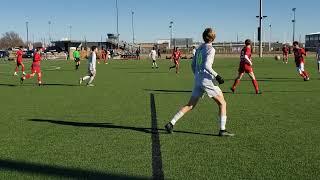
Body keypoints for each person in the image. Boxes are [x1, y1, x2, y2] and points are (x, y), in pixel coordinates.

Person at [164, 28, 234, 137]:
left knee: (190, 105)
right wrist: (217, 76)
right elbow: (207, 66)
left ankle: (171, 123)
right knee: (222, 103)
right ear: (213, 38)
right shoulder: (211, 49)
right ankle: (222, 130)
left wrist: (197, 76)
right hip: (206, 80)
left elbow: (192, 65)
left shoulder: (199, 48)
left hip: (198, 80)